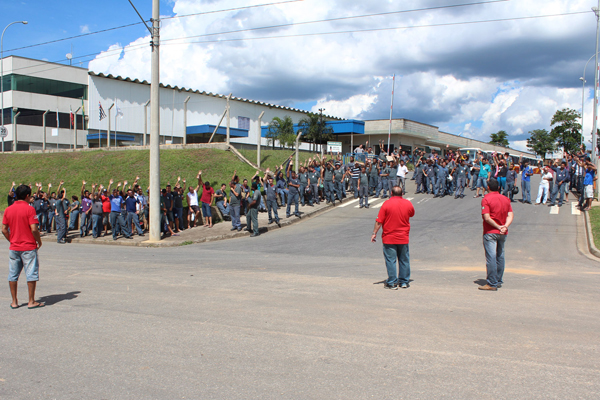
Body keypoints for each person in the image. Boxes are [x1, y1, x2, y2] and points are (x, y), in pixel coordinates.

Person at [2, 184, 44, 309]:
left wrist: (11, 240)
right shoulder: (29, 209)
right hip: (28, 246)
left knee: (13, 274)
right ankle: (31, 301)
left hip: (14, 246)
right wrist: (39, 241)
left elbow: (4, 229)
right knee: (31, 273)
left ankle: (14, 301)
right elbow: (34, 229)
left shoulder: (8, 209)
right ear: (27, 196)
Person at [371, 186, 415, 290]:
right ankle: (404, 281)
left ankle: (392, 282)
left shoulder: (386, 204)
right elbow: (412, 214)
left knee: (391, 260)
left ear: (391, 193)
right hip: (403, 237)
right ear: (402, 194)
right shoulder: (408, 203)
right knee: (404, 259)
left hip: (389, 237)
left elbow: (379, 221)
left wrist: (374, 233)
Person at [479, 178, 514, 291]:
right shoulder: (505, 199)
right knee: (500, 255)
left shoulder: (486, 199)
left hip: (490, 232)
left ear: (488, 187)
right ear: (498, 187)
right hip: (503, 232)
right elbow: (510, 215)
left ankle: (492, 282)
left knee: (491, 257)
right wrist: (505, 226)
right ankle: (498, 280)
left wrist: (498, 226)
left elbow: (487, 217)